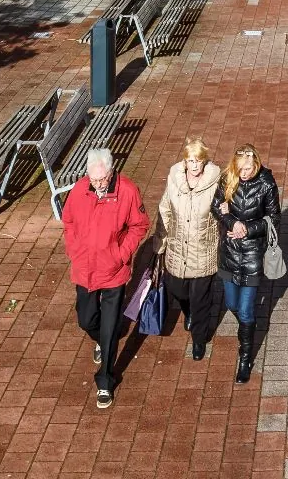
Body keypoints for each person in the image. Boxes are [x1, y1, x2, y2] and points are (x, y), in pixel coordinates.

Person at [62, 148, 150, 410]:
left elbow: (139, 225)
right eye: (94, 179)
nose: (99, 184)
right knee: (86, 319)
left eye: (103, 179)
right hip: (85, 269)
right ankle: (101, 339)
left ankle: (105, 380)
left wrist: (121, 254)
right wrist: (74, 250)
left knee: (111, 327)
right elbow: (68, 222)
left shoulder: (128, 191)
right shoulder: (79, 190)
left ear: (112, 172)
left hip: (113, 272)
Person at [214, 144, 281, 384]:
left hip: (253, 254)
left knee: (245, 309)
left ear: (257, 164)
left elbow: (274, 218)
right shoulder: (227, 178)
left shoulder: (266, 184)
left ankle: (245, 358)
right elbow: (216, 206)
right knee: (232, 303)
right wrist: (231, 221)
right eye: (241, 168)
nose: (244, 173)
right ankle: (246, 324)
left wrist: (249, 229)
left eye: (249, 168)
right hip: (229, 253)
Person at [157, 139, 223, 361]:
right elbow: (165, 209)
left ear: (205, 161)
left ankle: (199, 339)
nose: (195, 166)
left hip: (204, 250)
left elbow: (226, 211)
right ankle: (189, 313)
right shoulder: (174, 178)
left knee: (200, 300)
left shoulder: (217, 181)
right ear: (185, 161)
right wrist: (160, 242)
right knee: (178, 290)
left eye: (199, 161)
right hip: (177, 247)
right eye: (190, 161)